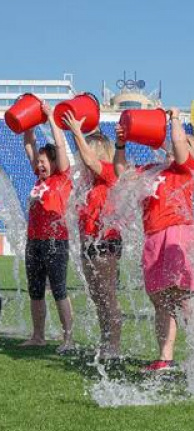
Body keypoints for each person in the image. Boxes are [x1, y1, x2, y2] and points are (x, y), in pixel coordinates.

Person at [114, 108, 194, 373]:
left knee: (183, 297)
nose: (172, 147)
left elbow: (177, 143)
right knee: (159, 299)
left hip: (176, 232)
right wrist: (120, 144)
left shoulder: (185, 168)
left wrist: (174, 119)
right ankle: (165, 358)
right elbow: (121, 174)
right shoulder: (151, 169)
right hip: (152, 237)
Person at [63, 113, 123, 359]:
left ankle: (114, 345)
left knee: (107, 294)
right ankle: (105, 339)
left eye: (89, 150)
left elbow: (89, 161)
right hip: (90, 243)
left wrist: (76, 132)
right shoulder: (88, 185)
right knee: (98, 296)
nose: (81, 157)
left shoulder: (109, 172)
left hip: (106, 241)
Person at [20, 102, 73, 353]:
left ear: (53, 162)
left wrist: (51, 117)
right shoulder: (37, 179)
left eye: (43, 161)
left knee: (59, 291)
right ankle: (38, 336)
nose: (39, 165)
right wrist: (28, 123)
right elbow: (28, 143)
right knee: (35, 291)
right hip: (34, 241)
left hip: (55, 241)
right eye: (37, 162)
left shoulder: (61, 177)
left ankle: (68, 338)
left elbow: (60, 146)